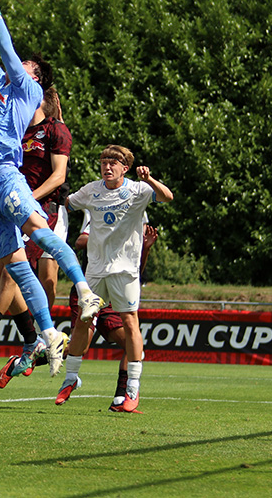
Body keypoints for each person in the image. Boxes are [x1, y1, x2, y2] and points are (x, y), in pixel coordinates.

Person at [0, 0, 102, 377]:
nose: (24, 63)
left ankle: (85, 292)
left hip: (5, 175)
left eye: (31, 64)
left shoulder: (28, 89)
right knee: (16, 267)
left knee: (40, 234)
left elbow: (7, 49)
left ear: (36, 78)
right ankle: (47, 335)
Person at [0, 86, 72, 377]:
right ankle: (31, 341)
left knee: (16, 276)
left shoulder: (56, 130)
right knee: (0, 281)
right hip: (10, 205)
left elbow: (59, 176)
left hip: (41, 208)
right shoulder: (16, 129)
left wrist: (24, 200)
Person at [62, 145, 174, 413]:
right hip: (96, 271)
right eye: (104, 161)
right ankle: (70, 378)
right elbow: (66, 202)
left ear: (126, 168)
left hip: (124, 271)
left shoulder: (138, 191)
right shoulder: (91, 190)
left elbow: (167, 197)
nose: (107, 166)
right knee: (82, 321)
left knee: (130, 322)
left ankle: (132, 389)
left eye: (114, 162)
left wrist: (148, 179)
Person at [49, 214, 158, 412]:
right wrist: (114, 237)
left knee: (134, 346)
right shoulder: (107, 211)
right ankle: (37, 356)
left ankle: (120, 399)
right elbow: (80, 241)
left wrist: (146, 249)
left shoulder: (135, 232)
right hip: (91, 290)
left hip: (112, 296)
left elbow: (136, 272)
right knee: (79, 348)